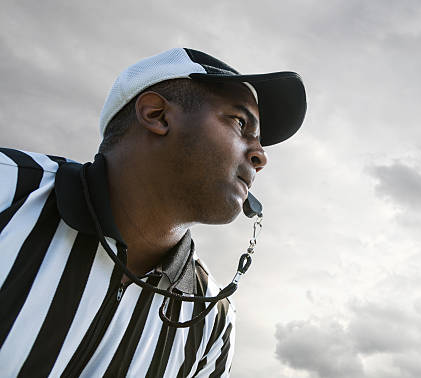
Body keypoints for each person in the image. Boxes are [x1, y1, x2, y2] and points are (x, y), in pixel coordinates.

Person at [0, 48, 306, 377]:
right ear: (157, 114)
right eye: (240, 122)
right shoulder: (8, 191)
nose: (261, 156)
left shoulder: (213, 323)